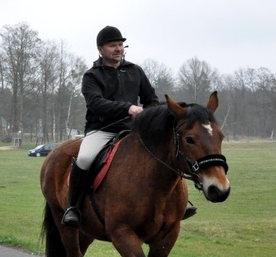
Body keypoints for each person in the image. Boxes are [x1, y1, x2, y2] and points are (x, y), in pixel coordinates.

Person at [61, 26, 195, 228]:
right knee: (85, 158)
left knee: (165, 153)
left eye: (121, 45)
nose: (118, 49)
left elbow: (151, 100)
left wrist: (155, 114)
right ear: (100, 49)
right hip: (102, 130)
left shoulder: (135, 70)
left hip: (134, 130)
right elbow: (96, 103)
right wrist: (128, 108)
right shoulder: (92, 76)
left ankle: (178, 204)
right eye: (112, 45)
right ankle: (73, 207)